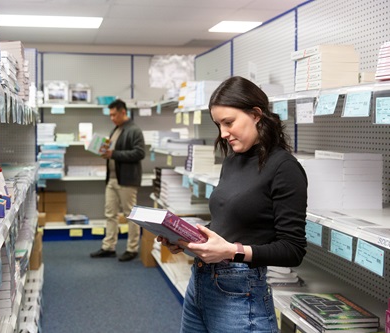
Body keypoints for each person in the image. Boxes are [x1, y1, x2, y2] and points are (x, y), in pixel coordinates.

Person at [158, 76, 308, 332]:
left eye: (229, 122)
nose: (223, 133)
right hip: (201, 283)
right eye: (218, 125)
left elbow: (293, 250)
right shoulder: (232, 160)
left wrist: (231, 251)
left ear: (256, 114)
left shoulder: (284, 168)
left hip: (241, 292)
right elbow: (225, 223)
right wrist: (186, 238)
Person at [90, 99, 146, 262]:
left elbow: (139, 153)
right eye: (110, 115)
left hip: (127, 180)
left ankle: (132, 248)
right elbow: (113, 151)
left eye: (114, 115)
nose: (112, 118)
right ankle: (109, 246)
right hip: (112, 179)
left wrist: (113, 154)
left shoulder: (134, 130)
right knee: (110, 214)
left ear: (123, 112)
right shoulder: (116, 129)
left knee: (131, 215)